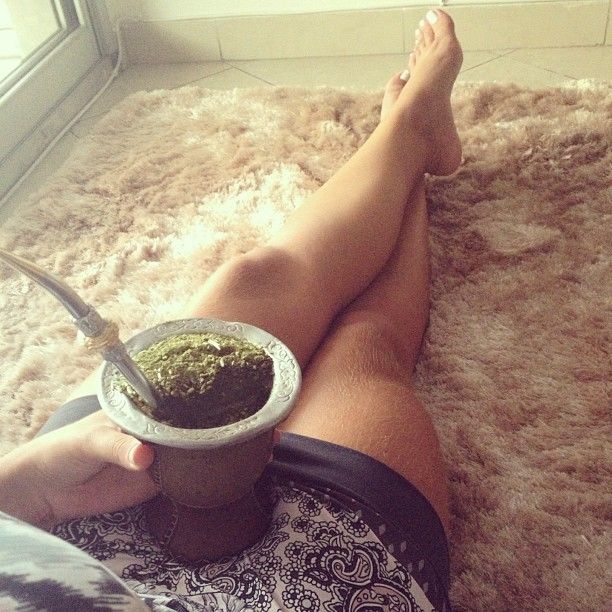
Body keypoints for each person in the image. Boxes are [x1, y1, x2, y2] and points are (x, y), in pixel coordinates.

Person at [0, 9, 462, 611]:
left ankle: (406, 139)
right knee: (361, 345)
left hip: (61, 518)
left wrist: (26, 486)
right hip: (305, 585)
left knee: (250, 280)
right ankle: (412, 155)